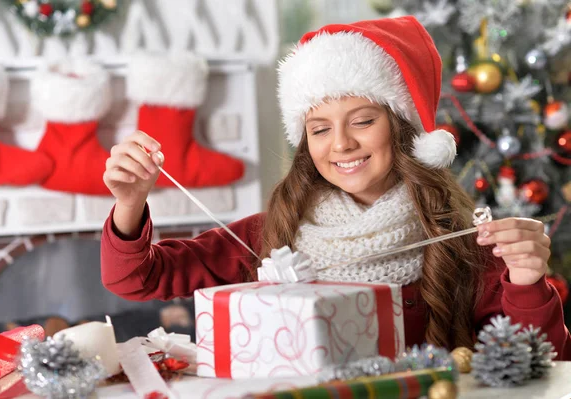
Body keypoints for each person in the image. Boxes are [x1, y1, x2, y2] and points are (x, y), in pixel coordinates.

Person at [101, 16, 570, 359]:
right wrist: (130, 202)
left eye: (363, 121)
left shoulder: (467, 243)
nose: (341, 143)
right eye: (320, 128)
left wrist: (528, 282)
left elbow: (540, 360)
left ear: (403, 129)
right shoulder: (271, 235)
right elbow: (136, 279)